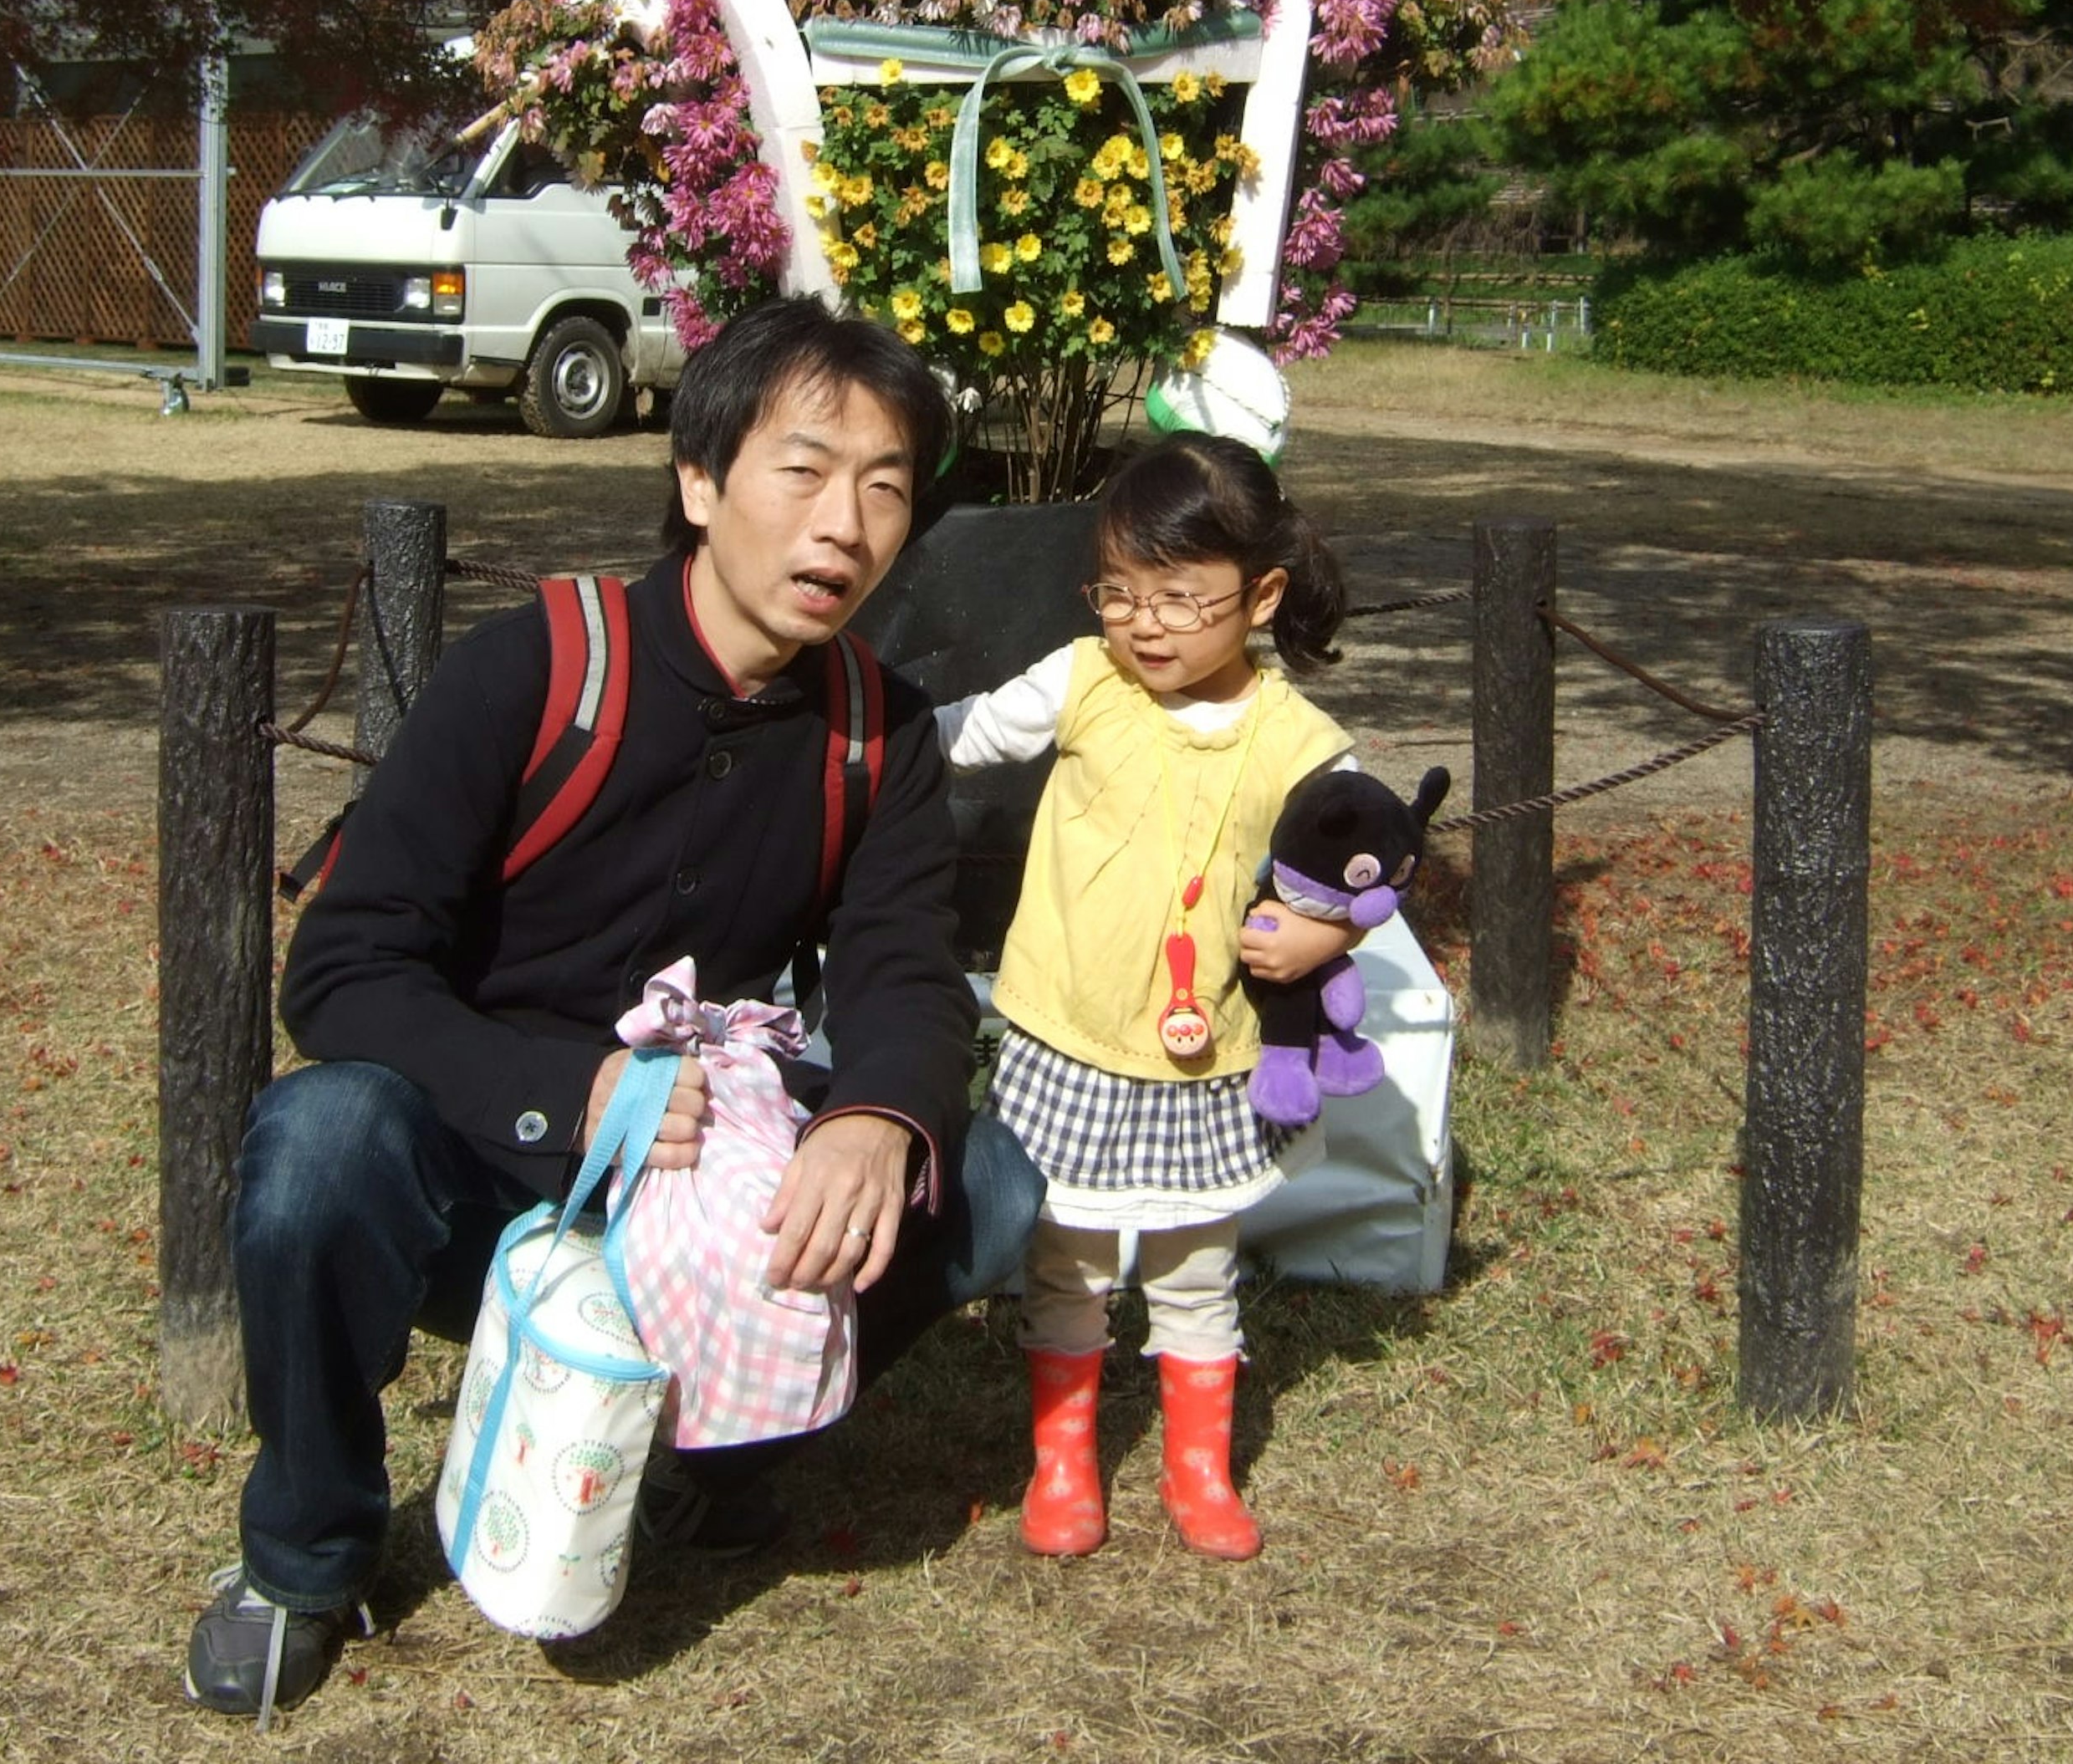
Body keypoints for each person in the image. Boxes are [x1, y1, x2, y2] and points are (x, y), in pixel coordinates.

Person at [184, 297, 1044, 1718]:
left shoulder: (875, 729)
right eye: (804, 470)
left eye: (886, 489)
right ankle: (307, 1555)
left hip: (701, 1176)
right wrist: (565, 1090)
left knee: (989, 1182)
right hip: (477, 1162)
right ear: (701, 484)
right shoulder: (536, 668)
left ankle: (702, 1460)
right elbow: (339, 970)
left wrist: (881, 1116)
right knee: (322, 1144)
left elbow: (902, 966)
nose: (845, 524)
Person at [936, 432, 1358, 1563]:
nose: (1145, 624)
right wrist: (841, 749)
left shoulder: (1297, 740)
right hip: (1066, 1038)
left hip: (1204, 1058)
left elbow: (1374, 853)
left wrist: (1329, 924)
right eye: (1118, 591)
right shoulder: (1083, 681)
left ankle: (1196, 1467)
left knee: (1192, 1266)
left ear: (1261, 595)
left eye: (1179, 597)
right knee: (1064, 1259)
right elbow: (957, 740)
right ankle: (1065, 1461)